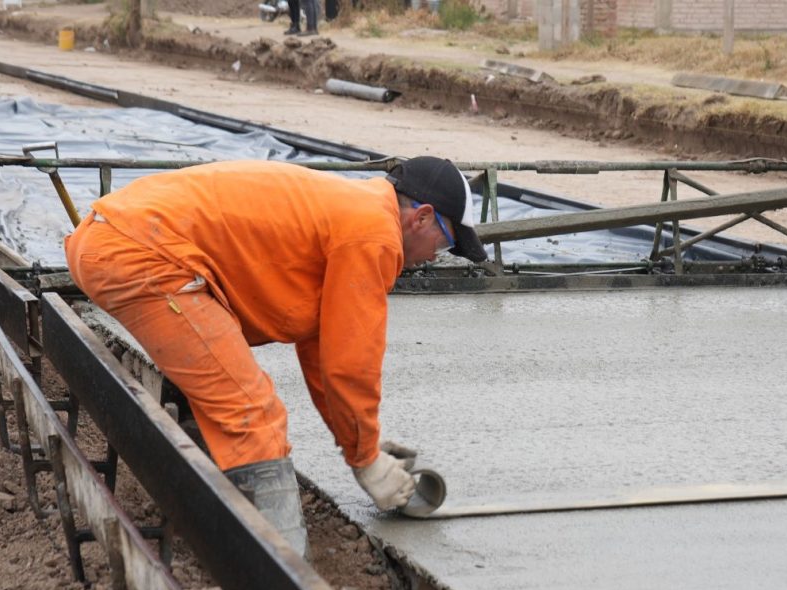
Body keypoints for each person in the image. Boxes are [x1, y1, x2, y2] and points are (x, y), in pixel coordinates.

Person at [64, 157, 486, 560]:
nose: (437, 255)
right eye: (447, 243)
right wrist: (368, 462)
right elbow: (352, 363)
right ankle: (286, 584)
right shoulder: (373, 232)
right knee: (253, 416)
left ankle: (251, 541)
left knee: (242, 405)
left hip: (121, 238)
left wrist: (363, 449)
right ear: (422, 216)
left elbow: (326, 355)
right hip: (141, 253)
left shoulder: (353, 211)